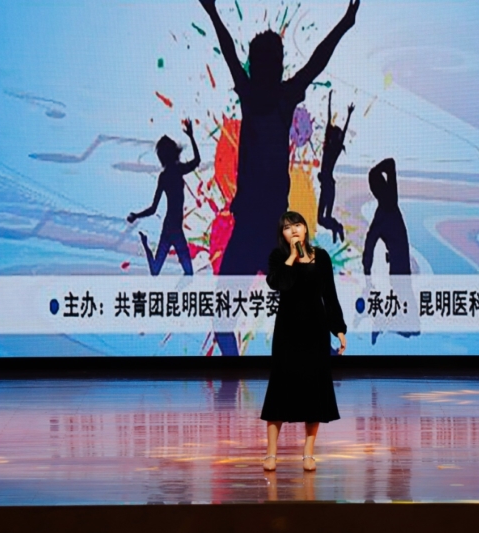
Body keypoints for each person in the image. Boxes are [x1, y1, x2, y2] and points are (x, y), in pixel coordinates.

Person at [200, 0, 360, 355]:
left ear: (275, 66)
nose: (269, 67)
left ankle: (321, 358)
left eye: (273, 61)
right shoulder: (257, 95)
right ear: (257, 65)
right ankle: (234, 367)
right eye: (265, 61)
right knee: (224, 318)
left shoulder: (278, 98)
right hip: (251, 227)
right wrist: (212, 13)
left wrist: (344, 24)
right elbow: (230, 53)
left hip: (269, 228)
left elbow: (316, 62)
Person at [261, 211, 347, 472]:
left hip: (315, 331)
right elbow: (279, 283)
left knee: (314, 391)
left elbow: (329, 295)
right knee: (280, 389)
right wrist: (292, 258)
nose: (294, 230)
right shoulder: (278, 257)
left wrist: (338, 329)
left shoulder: (321, 257)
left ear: (306, 229)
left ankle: (308, 453)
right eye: (288, 228)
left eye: (297, 225)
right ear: (283, 235)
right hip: (287, 331)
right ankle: (271, 453)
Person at [127, 119, 200, 275]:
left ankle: (145, 243)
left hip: (170, 227)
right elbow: (196, 161)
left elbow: (153, 209)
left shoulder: (165, 176)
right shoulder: (177, 170)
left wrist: (136, 215)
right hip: (174, 227)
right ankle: (145, 244)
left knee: (157, 270)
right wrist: (191, 137)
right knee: (188, 272)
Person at [362, 158, 411, 276]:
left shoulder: (388, 206)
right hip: (399, 267)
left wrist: (367, 269)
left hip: (399, 268)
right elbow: (390, 164)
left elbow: (370, 242)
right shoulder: (389, 204)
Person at [318, 90, 354, 243]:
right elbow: (329, 121)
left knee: (323, 218)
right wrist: (329, 101)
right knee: (322, 219)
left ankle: (336, 227)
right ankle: (336, 227)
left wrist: (349, 115)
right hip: (327, 186)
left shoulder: (333, 150)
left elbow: (342, 133)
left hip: (328, 186)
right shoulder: (329, 148)